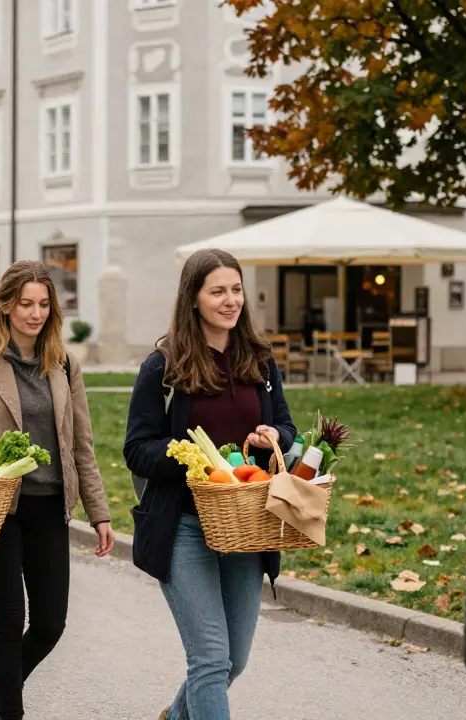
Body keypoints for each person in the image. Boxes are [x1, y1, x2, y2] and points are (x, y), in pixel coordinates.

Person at [123, 249, 297, 720]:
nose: (230, 301)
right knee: (210, 659)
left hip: (246, 526)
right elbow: (137, 448)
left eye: (236, 290)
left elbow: (287, 426)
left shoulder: (259, 361)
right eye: (217, 291)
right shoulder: (164, 366)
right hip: (183, 527)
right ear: (193, 298)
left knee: (233, 661)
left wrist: (274, 436)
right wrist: (190, 458)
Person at [0, 261, 115, 720]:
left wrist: (99, 512)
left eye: (43, 304)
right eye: (25, 304)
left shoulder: (64, 363)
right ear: (4, 306)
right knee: (7, 619)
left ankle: (5, 678)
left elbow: (81, 442)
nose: (35, 313)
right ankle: (9, 712)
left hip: (49, 507)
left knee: (49, 624)